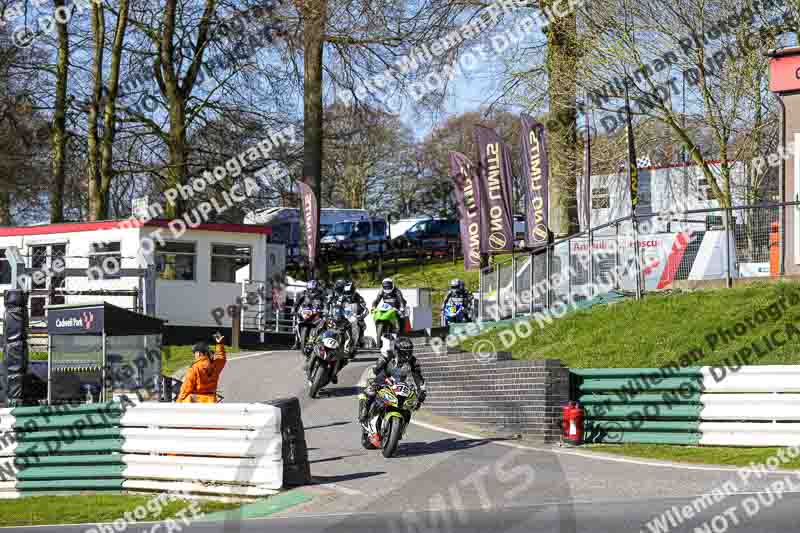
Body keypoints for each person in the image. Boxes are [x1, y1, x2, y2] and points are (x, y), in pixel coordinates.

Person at [358, 336, 426, 425]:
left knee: (411, 404)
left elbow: (418, 378)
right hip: (383, 380)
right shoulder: (388, 355)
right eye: (404, 353)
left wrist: (422, 391)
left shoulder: (413, 361)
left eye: (409, 352)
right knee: (371, 391)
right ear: (397, 351)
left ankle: (402, 424)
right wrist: (373, 379)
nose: (407, 356)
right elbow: (376, 369)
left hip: (399, 384)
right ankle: (365, 411)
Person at [177, 333, 226, 403]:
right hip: (212, 400)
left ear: (199, 353)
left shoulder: (194, 368)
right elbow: (221, 357)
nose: (194, 356)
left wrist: (179, 401)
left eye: (194, 353)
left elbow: (186, 387)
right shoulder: (215, 365)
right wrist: (219, 344)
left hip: (196, 400)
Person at [292, 280, 326, 349]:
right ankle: (297, 342)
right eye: (310, 289)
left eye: (313, 289)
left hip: (316, 313)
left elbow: (325, 303)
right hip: (305, 312)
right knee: (297, 325)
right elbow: (297, 302)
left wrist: (325, 310)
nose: (311, 291)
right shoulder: (304, 294)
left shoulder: (321, 294)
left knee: (323, 324)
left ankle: (321, 342)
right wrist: (294, 309)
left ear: (316, 288)